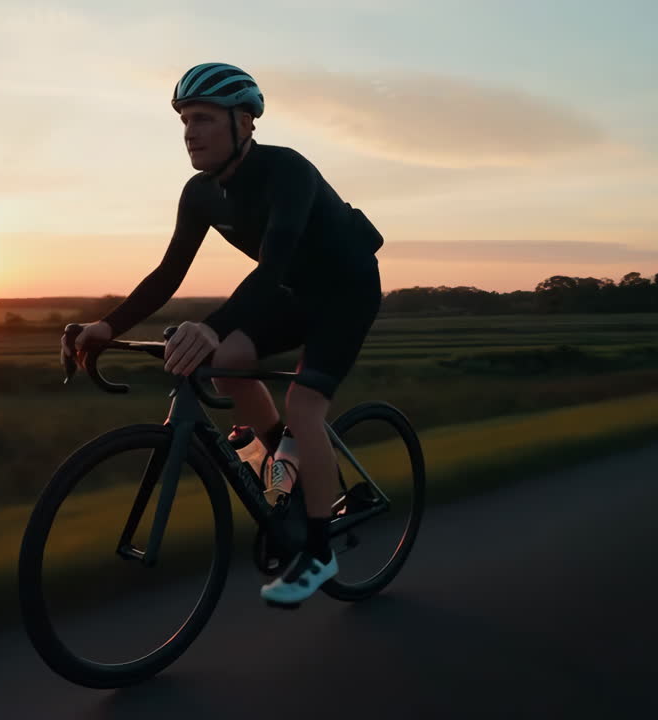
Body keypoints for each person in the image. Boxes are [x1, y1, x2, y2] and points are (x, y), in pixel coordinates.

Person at [62, 62, 383, 607]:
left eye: (204, 118)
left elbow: (274, 265)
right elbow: (168, 274)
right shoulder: (201, 194)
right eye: (185, 119)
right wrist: (107, 325)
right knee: (226, 365)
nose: (190, 131)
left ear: (245, 122)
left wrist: (209, 327)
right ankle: (289, 469)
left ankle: (320, 546)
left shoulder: (289, 173)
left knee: (305, 404)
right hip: (294, 293)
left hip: (345, 292)